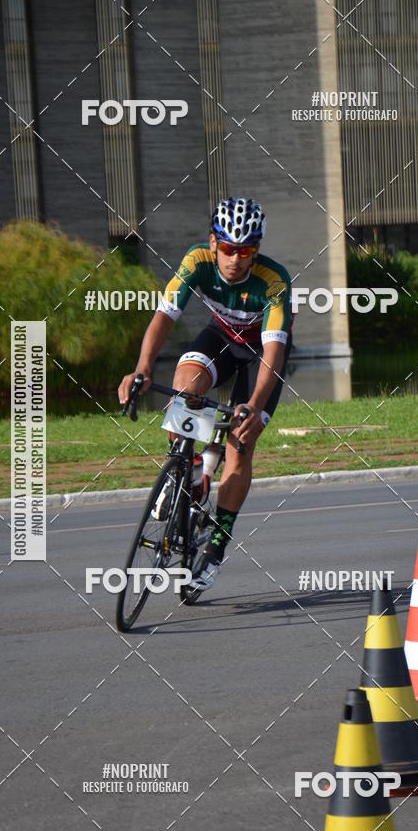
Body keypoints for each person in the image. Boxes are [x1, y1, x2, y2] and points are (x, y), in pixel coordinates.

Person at [118, 197, 293, 592]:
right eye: (228, 248)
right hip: (220, 340)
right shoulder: (197, 261)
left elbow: (272, 356)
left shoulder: (274, 281)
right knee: (184, 387)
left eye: (245, 250)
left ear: (256, 250)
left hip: (261, 359)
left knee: (238, 444)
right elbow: (164, 316)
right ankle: (190, 467)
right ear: (214, 243)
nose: (235, 258)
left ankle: (216, 548)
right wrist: (143, 367)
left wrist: (253, 406)